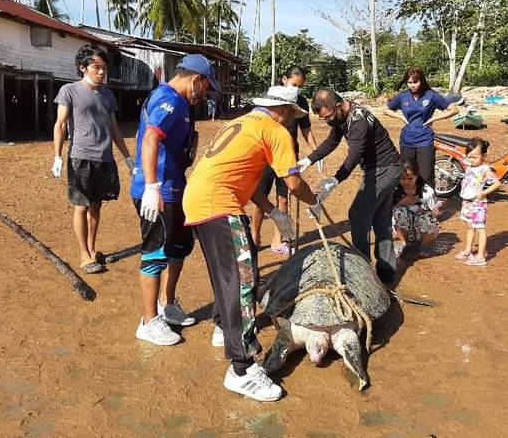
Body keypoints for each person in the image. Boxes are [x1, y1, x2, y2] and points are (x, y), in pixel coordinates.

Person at [183, 85, 321, 402]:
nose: (291, 121)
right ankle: (242, 369)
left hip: (200, 200)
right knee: (243, 281)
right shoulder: (276, 131)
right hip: (220, 205)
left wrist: (273, 213)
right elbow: (294, 182)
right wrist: (314, 203)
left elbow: (246, 180)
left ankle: (223, 326)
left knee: (228, 275)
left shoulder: (243, 123)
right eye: (292, 115)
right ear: (285, 111)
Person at [131, 55, 220, 346]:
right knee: (155, 252)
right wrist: (152, 186)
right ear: (195, 79)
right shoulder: (167, 100)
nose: (203, 95)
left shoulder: (181, 104)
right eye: (205, 88)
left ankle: (167, 304)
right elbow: (150, 139)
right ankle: (148, 321)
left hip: (176, 186)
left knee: (179, 247)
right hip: (159, 190)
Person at [299, 89, 403, 284]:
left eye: (328, 116)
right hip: (380, 169)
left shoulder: (358, 120)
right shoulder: (342, 117)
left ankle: (362, 269)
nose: (328, 121)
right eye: (323, 119)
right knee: (380, 219)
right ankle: (386, 271)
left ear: (337, 106)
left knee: (358, 214)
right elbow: (331, 142)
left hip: (385, 169)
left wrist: (336, 179)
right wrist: (308, 160)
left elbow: (354, 155)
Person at [52, 45, 133, 274]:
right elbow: (60, 125)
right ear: (83, 68)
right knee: (81, 206)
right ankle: (83, 255)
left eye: (104, 68)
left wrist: (127, 158)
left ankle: (91, 248)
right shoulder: (69, 91)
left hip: (104, 159)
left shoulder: (107, 94)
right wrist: (57, 156)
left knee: (96, 207)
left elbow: (114, 128)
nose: (101, 72)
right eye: (96, 67)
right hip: (80, 157)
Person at [250, 66, 321, 254]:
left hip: (288, 154)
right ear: (284, 79)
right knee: (260, 197)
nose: (296, 90)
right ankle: (254, 237)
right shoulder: (272, 99)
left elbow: (305, 129)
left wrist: (316, 152)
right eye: (294, 84)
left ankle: (277, 241)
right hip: (265, 155)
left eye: (300, 87)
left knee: (284, 198)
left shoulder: (302, 103)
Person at [384, 66, 458, 188]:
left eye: (415, 82)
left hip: (425, 140)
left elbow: (454, 109)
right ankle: (409, 203)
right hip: (407, 140)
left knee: (426, 175)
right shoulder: (403, 96)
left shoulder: (431, 95)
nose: (412, 85)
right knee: (407, 174)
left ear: (422, 81)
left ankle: (427, 204)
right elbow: (386, 110)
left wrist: (434, 119)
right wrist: (402, 118)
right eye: (409, 82)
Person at [454, 138, 501, 266]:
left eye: (474, 157)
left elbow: (497, 183)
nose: (471, 160)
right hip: (467, 202)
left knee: (480, 229)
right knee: (469, 227)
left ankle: (480, 256)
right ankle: (468, 250)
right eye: (469, 157)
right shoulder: (470, 166)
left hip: (478, 204)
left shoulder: (484, 169)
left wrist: (484, 193)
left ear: (484, 156)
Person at [392, 158, 442, 258]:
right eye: (403, 178)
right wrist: (401, 203)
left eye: (410, 178)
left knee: (427, 216)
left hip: (422, 231)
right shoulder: (394, 190)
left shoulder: (426, 190)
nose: (406, 181)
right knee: (399, 212)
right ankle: (404, 244)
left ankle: (424, 245)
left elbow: (435, 212)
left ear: (417, 176)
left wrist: (427, 211)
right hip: (403, 230)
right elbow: (384, 212)